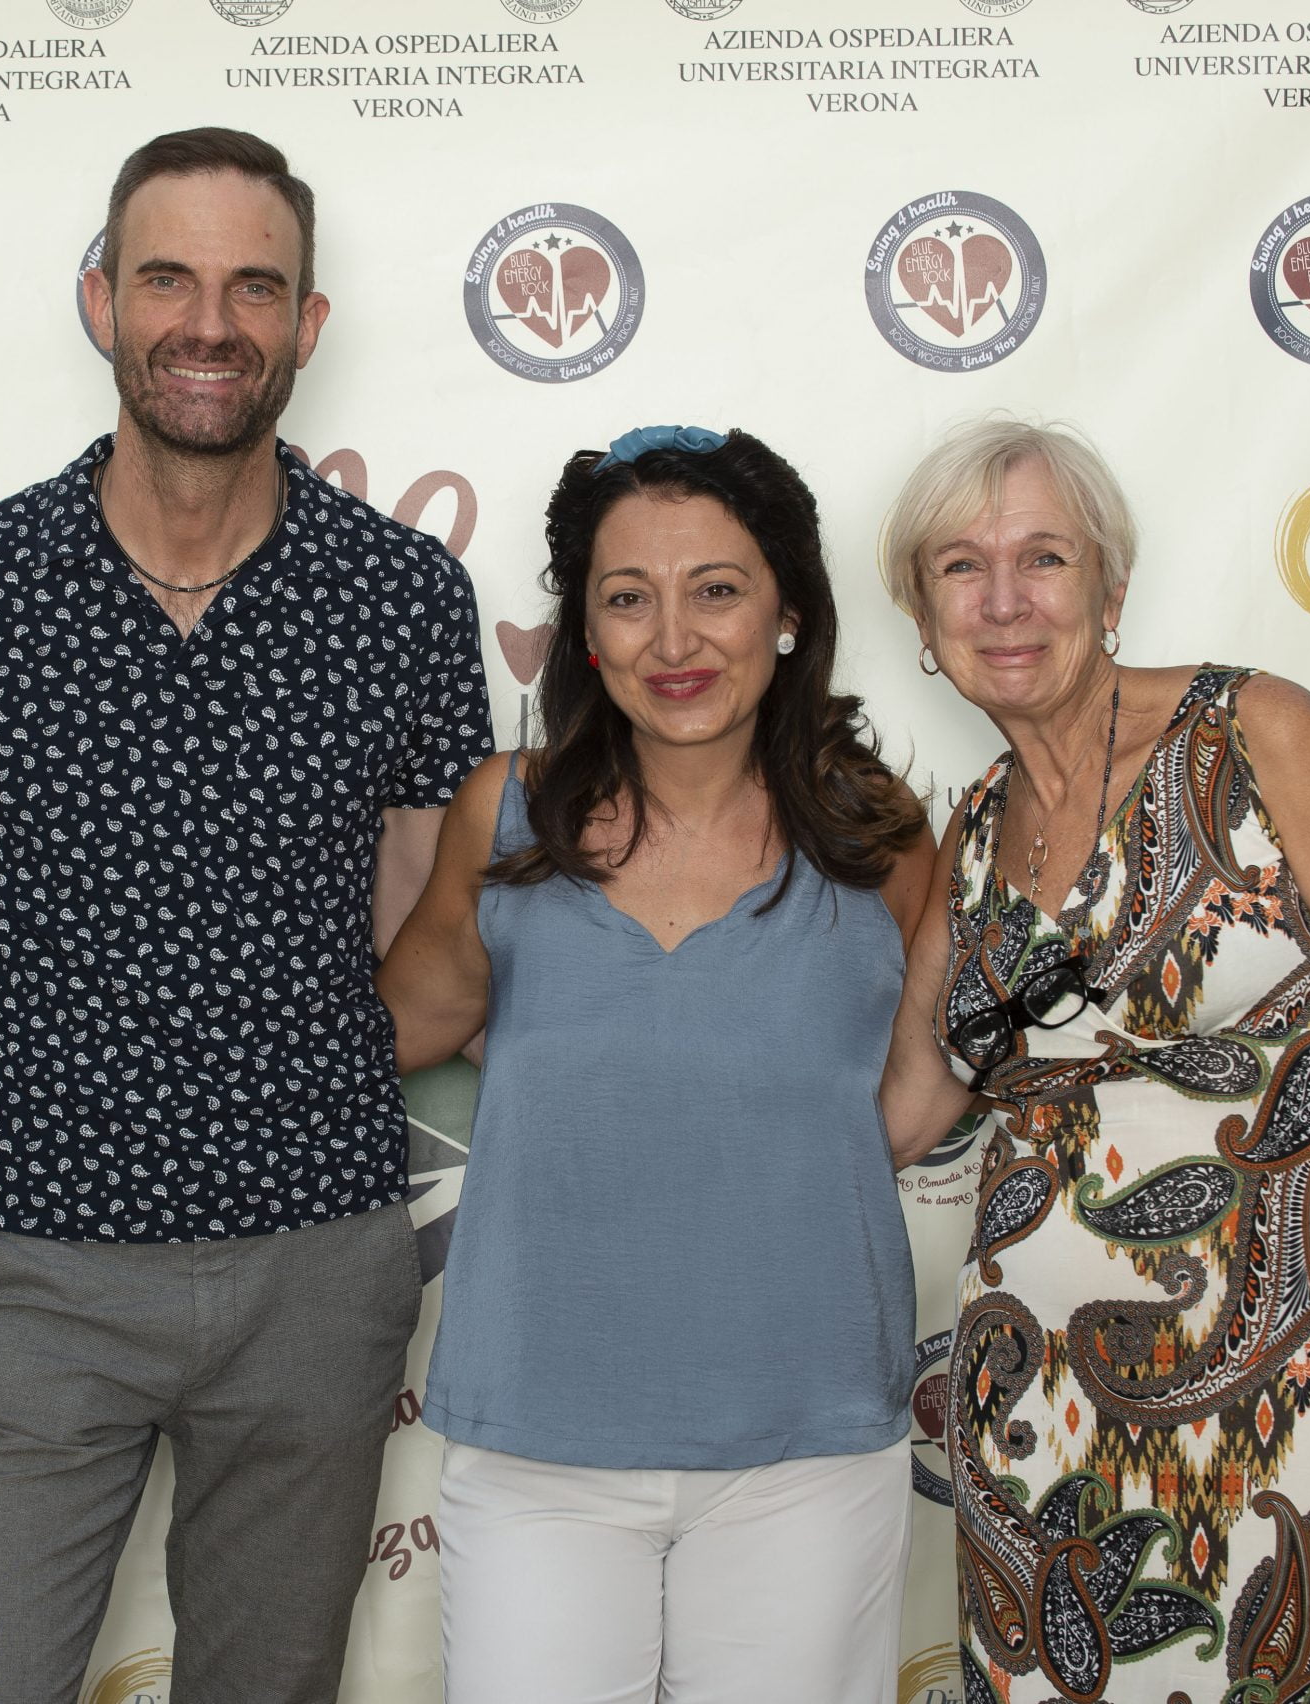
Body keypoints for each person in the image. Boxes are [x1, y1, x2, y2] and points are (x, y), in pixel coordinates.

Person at [0, 127, 491, 1704]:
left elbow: (429, 932)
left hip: (313, 1270)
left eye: (254, 286)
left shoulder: (402, 599)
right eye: (168, 280)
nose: (211, 322)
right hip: (29, 1271)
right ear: (102, 303)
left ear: (307, 323)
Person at [875, 417, 1310, 1704]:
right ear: (921, 616)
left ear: (1109, 586)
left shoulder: (1257, 734)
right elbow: (909, 1108)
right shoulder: (971, 832)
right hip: (1033, 1406)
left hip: (1287, 1384)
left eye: (1042, 558)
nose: (1002, 602)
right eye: (960, 568)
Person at [378, 425, 937, 1703]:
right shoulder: (505, 816)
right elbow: (392, 1031)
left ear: (788, 613)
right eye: (628, 597)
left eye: (716, 590)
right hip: (539, 1449)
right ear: (585, 630)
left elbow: (918, 1086)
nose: (673, 639)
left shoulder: (880, 836)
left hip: (806, 1447)